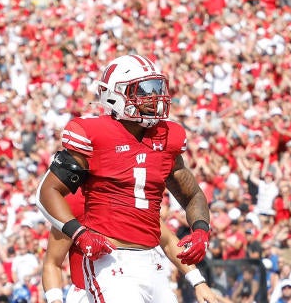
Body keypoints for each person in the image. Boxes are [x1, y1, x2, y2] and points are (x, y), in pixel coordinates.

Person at [36, 55, 212, 302]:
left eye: (156, 88)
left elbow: (192, 195)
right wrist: (80, 234)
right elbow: (48, 192)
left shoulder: (167, 136)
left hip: (153, 261)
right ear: (113, 94)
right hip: (109, 261)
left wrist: (201, 230)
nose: (153, 97)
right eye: (143, 90)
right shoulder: (94, 134)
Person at [42, 189, 217, 303]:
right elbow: (52, 262)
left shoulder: (132, 193)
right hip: (90, 292)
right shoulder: (75, 201)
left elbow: (169, 241)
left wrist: (198, 281)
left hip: (148, 280)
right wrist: (55, 299)